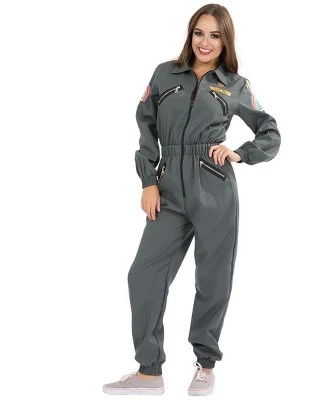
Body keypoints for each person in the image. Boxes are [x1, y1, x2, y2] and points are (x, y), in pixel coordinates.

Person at [103, 3, 281, 396]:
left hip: (214, 185)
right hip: (167, 187)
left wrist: (240, 153)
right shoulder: (165, 73)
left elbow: (270, 131)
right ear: (190, 34)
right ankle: (149, 372)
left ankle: (205, 364)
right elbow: (146, 124)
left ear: (226, 40)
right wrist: (148, 181)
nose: (206, 42)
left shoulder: (235, 84)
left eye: (215, 35)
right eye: (200, 32)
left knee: (213, 277)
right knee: (143, 275)